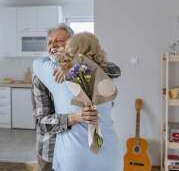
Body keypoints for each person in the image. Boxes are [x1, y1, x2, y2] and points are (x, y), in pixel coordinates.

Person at [31, 24, 121, 171]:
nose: (53, 45)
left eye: (59, 40)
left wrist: (74, 66)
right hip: (50, 151)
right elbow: (41, 123)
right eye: (49, 42)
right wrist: (72, 117)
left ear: (71, 45)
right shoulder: (41, 78)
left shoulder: (100, 72)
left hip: (78, 156)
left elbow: (115, 69)